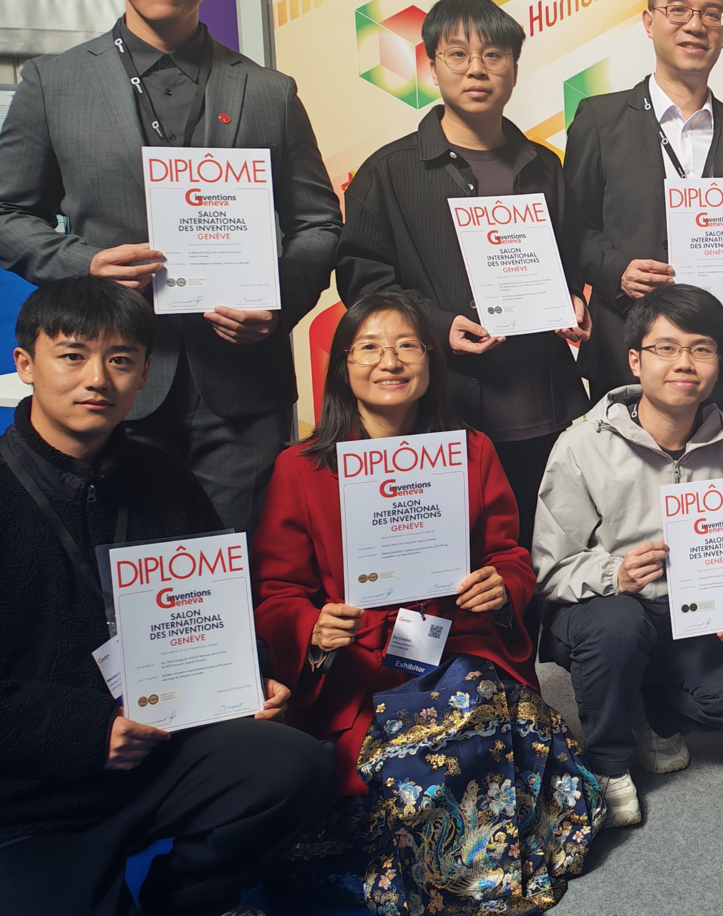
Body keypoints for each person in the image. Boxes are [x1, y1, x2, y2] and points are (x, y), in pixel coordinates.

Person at [0, 275, 329, 916]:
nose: (97, 379)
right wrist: (86, 733)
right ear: (25, 364)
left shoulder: (167, 479)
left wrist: (252, 677)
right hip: (30, 787)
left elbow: (220, 607)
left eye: (120, 360)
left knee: (295, 766)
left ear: (144, 373)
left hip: (165, 750)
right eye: (72, 356)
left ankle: (189, 899)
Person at [0, 0, 342, 533]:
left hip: (242, 386)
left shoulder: (268, 91)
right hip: (109, 377)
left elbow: (317, 223)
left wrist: (277, 298)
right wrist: (84, 265)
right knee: (117, 561)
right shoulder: (55, 83)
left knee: (236, 560)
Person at [251, 289, 603, 914]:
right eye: (369, 347)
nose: (390, 361)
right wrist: (311, 625)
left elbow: (509, 554)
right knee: (410, 768)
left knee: (473, 706)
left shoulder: (472, 449)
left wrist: (502, 585)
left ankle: (466, 877)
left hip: (457, 638)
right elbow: (277, 593)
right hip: (358, 662)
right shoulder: (299, 468)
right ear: (343, 366)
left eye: (407, 346)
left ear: (431, 362)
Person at [531, 284, 723, 827]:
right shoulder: (582, 444)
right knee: (617, 625)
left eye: (701, 349)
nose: (685, 363)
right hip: (604, 613)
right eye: (666, 348)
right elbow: (550, 567)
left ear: (718, 363)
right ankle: (609, 763)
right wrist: (615, 572)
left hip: (691, 618)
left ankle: (652, 709)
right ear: (635, 360)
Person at [337, 0, 591, 548]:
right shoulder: (389, 171)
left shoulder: (545, 166)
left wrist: (573, 299)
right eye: (457, 55)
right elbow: (363, 283)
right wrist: (435, 324)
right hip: (439, 407)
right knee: (449, 559)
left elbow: (567, 260)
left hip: (542, 402)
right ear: (432, 67)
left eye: (494, 55)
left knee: (542, 558)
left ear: (514, 68)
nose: (477, 69)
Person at [565, 0, 723, 428]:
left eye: (711, 14)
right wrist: (617, 271)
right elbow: (573, 230)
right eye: (678, 10)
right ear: (649, 21)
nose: (695, 25)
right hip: (627, 350)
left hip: (722, 357)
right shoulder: (599, 119)